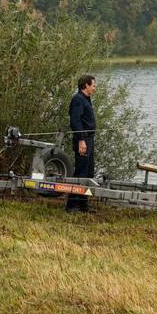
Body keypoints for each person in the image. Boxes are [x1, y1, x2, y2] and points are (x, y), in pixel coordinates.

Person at [66, 74, 97, 212]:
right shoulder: (78, 99)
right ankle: (72, 205)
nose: (95, 88)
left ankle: (83, 205)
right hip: (83, 140)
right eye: (93, 85)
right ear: (86, 85)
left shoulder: (86, 99)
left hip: (89, 140)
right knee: (80, 172)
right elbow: (75, 121)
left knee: (89, 172)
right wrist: (81, 140)